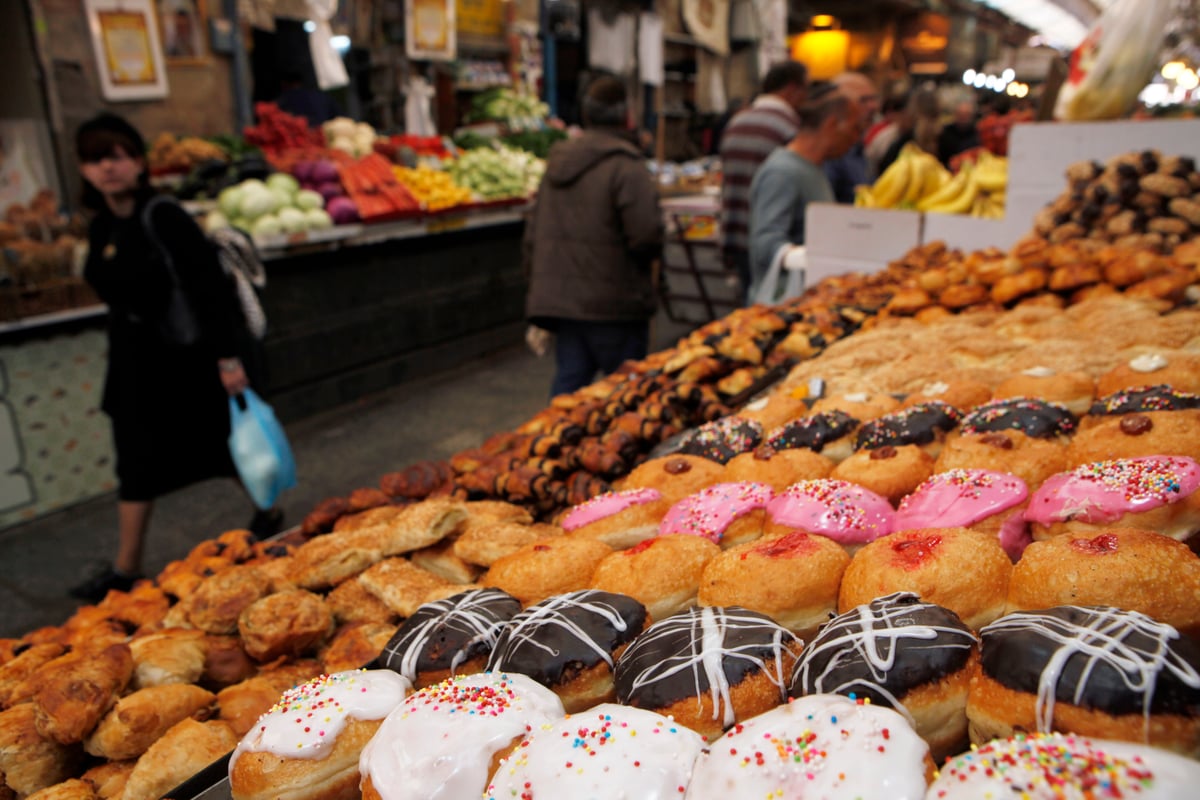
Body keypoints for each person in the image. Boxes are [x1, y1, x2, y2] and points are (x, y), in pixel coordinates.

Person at [69, 113, 281, 603]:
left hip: (187, 360)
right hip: (135, 364)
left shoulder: (163, 215)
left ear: (139, 162)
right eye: (95, 159)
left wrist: (228, 359)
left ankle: (268, 511)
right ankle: (126, 568)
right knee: (136, 462)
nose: (107, 167)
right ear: (82, 169)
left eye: (117, 155)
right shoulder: (101, 224)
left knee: (221, 446)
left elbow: (209, 290)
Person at [523, 76, 662, 398]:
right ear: (626, 114)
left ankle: (552, 448)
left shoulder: (558, 163)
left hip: (566, 304)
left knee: (569, 394)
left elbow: (533, 233)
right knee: (623, 399)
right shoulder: (626, 166)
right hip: (616, 303)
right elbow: (646, 235)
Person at [746, 82, 862, 302]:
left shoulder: (812, 168)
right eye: (854, 128)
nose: (856, 138)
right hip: (782, 307)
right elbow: (765, 243)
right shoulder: (782, 172)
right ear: (832, 124)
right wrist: (811, 257)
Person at [717, 60, 809, 298]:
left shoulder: (737, 122)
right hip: (772, 240)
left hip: (736, 231)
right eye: (805, 90)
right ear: (792, 88)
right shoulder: (789, 127)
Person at [822, 71, 881, 203]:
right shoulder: (832, 153)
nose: (873, 106)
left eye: (874, 99)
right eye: (864, 100)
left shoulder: (859, 149)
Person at [276, 70, 340, 127]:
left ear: (283, 83)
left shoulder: (283, 100)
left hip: (302, 137)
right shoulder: (322, 96)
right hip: (323, 135)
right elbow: (338, 117)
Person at [937, 98, 981, 166]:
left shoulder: (977, 134)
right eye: (960, 114)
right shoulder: (945, 132)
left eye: (966, 114)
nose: (963, 117)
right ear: (955, 114)